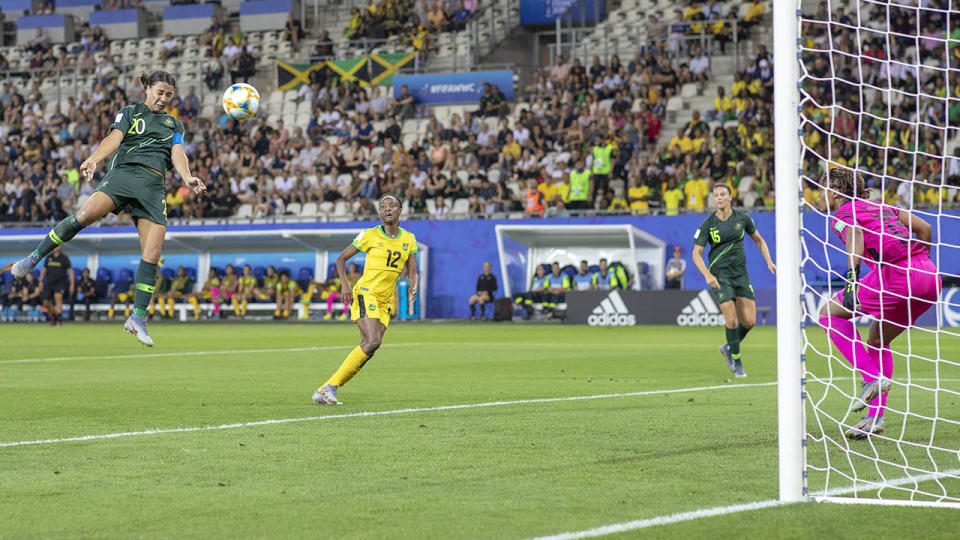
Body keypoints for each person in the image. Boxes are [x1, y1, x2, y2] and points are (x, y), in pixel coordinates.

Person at [0, 70, 205, 346]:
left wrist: (186, 177)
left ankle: (138, 318)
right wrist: (94, 158)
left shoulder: (174, 124)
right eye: (160, 92)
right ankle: (32, 259)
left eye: (169, 94)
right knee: (84, 215)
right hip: (124, 174)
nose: (164, 98)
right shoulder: (130, 112)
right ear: (147, 88)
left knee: (153, 253)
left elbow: (177, 153)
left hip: (153, 185)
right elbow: (115, 138)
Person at [817, 168, 940, 439]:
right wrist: (920, 263)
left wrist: (851, 280)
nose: (818, 196)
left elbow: (855, 235)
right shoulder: (882, 207)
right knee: (877, 339)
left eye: (821, 189)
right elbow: (925, 228)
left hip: (895, 275)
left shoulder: (842, 214)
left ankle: (871, 378)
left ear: (835, 192)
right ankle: (874, 418)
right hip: (929, 276)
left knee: (828, 314)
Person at [313, 195, 419, 405]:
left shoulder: (409, 239)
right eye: (382, 206)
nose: (387, 209)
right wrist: (345, 284)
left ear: (400, 210)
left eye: (392, 205)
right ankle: (328, 387)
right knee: (373, 341)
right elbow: (341, 258)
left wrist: (414, 286)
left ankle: (327, 390)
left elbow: (413, 270)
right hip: (366, 293)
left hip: (385, 300)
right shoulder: (369, 235)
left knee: (370, 346)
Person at [692, 183, 776, 378]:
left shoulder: (742, 219)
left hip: (740, 275)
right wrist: (707, 274)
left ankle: (728, 347)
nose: (719, 198)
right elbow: (696, 253)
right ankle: (737, 362)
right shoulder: (708, 224)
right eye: (716, 195)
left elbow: (759, 240)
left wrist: (769, 261)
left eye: (723, 194)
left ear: (730, 197)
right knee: (731, 320)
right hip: (720, 277)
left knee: (749, 321)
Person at [39, 246, 73, 326]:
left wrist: (72, 284)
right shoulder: (49, 257)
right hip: (49, 283)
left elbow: (70, 271)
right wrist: (40, 281)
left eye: (58, 245)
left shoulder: (64, 258)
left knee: (58, 297)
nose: (56, 247)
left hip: (61, 282)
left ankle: (59, 318)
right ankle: (55, 316)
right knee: (46, 303)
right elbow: (44, 270)